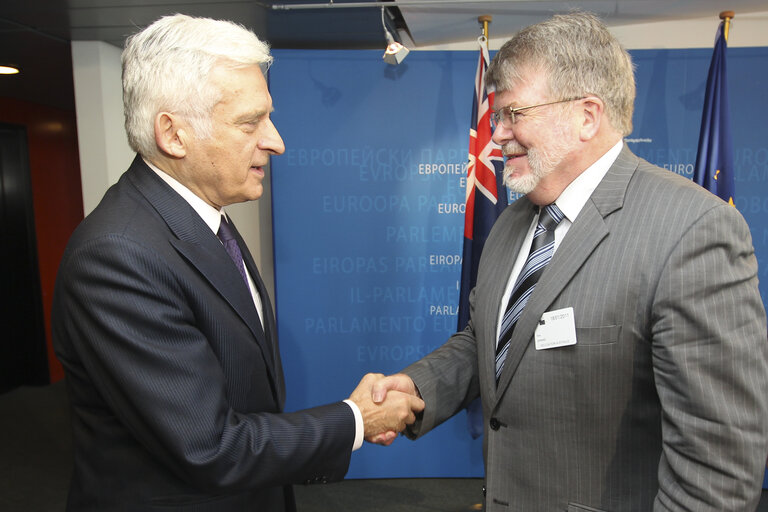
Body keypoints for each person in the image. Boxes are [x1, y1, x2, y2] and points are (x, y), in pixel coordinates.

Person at [371, 11, 768, 511]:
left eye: (514, 114)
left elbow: (719, 465)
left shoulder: (693, 231)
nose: (496, 137)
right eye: (497, 117)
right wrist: (415, 388)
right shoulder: (512, 223)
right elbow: (487, 341)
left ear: (587, 115)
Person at [51, 14, 423, 511]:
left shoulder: (206, 219)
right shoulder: (118, 256)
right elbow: (209, 446)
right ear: (174, 134)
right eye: (250, 123)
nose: (276, 141)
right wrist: (356, 420)